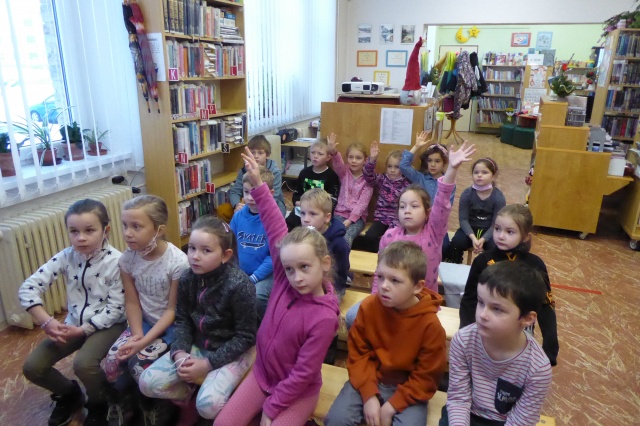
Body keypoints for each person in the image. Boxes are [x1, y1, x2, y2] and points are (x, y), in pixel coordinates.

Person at [214, 147, 340, 426]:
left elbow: (303, 374)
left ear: (325, 264)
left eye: (305, 267)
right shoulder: (284, 280)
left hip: (298, 391)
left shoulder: (324, 317)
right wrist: (258, 185)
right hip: (263, 374)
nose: (296, 277)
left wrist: (271, 408)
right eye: (289, 269)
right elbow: (275, 229)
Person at [139, 216, 256, 424]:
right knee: (147, 384)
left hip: (233, 351)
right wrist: (179, 353)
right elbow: (182, 320)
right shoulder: (187, 278)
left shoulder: (240, 285)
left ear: (226, 255)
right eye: (192, 248)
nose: (195, 256)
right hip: (198, 345)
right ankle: (190, 394)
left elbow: (246, 337)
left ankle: (201, 399)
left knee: (208, 407)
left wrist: (208, 364)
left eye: (206, 250)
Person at [19, 199, 127, 426]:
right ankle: (69, 394)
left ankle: (100, 402)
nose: (81, 238)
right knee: (33, 367)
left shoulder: (117, 262)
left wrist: (83, 330)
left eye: (89, 230)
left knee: (83, 364)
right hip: (73, 323)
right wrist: (47, 322)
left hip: (110, 325)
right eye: (74, 231)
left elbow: (116, 308)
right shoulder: (66, 256)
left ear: (106, 230)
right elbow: (28, 288)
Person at [346, 141, 476, 329]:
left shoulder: (433, 234)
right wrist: (376, 300)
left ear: (427, 212)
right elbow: (379, 274)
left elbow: (442, 203)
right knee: (352, 316)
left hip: (420, 304)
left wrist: (452, 169)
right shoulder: (389, 236)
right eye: (402, 206)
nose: (407, 210)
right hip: (389, 300)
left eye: (414, 206)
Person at [325, 241, 447, 426]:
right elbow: (358, 355)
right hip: (368, 378)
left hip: (408, 389)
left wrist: (392, 406)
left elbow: (426, 377)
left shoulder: (430, 326)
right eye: (380, 277)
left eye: (395, 280)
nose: (384, 286)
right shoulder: (368, 307)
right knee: (337, 420)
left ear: (417, 286)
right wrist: (369, 395)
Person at [102, 195, 189, 425]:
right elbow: (132, 301)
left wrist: (143, 342)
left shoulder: (178, 262)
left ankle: (157, 406)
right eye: (125, 225)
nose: (128, 233)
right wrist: (137, 334)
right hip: (144, 323)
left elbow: (172, 311)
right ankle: (128, 402)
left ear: (159, 230)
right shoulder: (127, 259)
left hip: (172, 326)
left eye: (136, 226)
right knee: (112, 362)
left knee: (139, 366)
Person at [441, 262, 553, 426]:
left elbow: (522, 420)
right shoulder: (463, 341)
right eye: (481, 302)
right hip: (466, 412)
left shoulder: (538, 368)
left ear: (527, 319)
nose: (482, 315)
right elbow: (459, 398)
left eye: (497, 309)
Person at [459, 204, 559, 366]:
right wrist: (465, 333)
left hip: (519, 336)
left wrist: (550, 347)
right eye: (497, 229)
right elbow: (469, 300)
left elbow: (545, 305)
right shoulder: (482, 261)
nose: (501, 236)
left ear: (525, 236)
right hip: (485, 332)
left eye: (509, 232)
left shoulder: (535, 265)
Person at [399, 131, 456, 258]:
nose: (433, 164)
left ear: (444, 163)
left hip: (436, 224)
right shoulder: (420, 178)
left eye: (437, 161)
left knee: (444, 246)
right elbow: (403, 165)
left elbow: (446, 205)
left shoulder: (447, 182)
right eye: (430, 161)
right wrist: (416, 146)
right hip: (418, 222)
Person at [230, 167, 276, 321]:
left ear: (270, 193)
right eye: (246, 192)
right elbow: (230, 246)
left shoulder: (272, 219)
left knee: (256, 296)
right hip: (241, 271)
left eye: (255, 192)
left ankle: (266, 325)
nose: (250, 198)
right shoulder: (238, 217)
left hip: (265, 275)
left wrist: (254, 278)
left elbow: (273, 257)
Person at [446, 157, 506, 264]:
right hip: (469, 231)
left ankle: (490, 269)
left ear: (493, 176)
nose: (479, 175)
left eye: (484, 172)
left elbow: (496, 224)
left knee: (496, 247)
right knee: (457, 242)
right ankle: (454, 264)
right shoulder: (467, 194)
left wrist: (483, 239)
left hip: (490, 232)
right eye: (476, 172)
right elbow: (463, 220)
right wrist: (473, 238)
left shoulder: (498, 197)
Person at [353, 141, 410, 253]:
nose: (392, 170)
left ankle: (390, 258)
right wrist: (372, 159)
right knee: (370, 236)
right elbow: (368, 176)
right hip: (381, 218)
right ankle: (377, 256)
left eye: (396, 167)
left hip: (397, 220)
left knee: (394, 239)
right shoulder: (382, 179)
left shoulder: (406, 185)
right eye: (389, 166)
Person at [298, 188, 351, 301]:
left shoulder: (339, 243)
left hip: (334, 284)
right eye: (302, 213)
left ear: (327, 217)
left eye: (312, 214)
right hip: (310, 282)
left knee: (326, 304)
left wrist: (330, 288)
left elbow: (341, 271)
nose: (305, 219)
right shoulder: (302, 238)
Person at [326, 133, 374, 247]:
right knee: (332, 234)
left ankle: (343, 257)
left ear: (365, 160)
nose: (354, 161)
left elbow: (362, 204)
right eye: (351, 157)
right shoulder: (344, 172)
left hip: (358, 219)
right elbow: (337, 163)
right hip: (340, 214)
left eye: (358, 158)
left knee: (347, 237)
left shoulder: (368, 179)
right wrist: (333, 151)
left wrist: (350, 220)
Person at [285, 139, 341, 231]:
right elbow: (296, 194)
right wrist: (298, 203)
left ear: (328, 157)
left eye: (320, 154)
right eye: (312, 152)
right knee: (288, 224)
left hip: (320, 212)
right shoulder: (304, 173)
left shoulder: (332, 176)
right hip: (303, 209)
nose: (315, 156)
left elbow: (333, 200)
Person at [229, 135, 286, 216]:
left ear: (267, 155)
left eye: (260, 153)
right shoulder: (244, 170)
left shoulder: (275, 172)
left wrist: (253, 208)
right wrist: (237, 205)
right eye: (252, 152)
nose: (256, 156)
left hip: (271, 205)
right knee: (223, 210)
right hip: (248, 203)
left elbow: (274, 197)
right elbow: (235, 191)